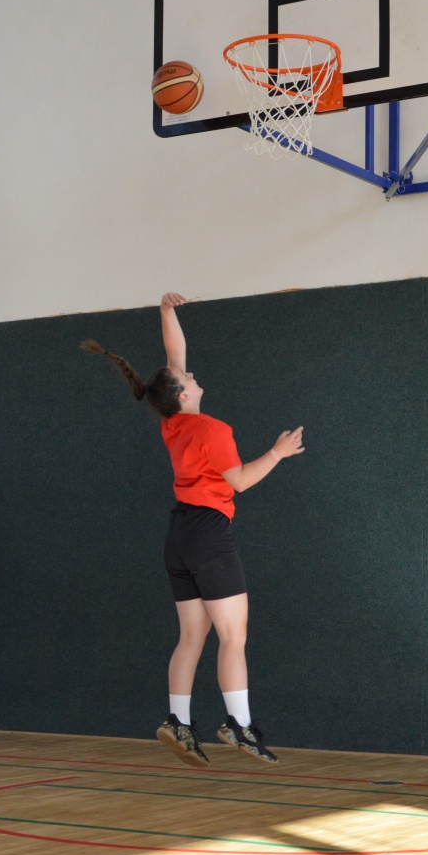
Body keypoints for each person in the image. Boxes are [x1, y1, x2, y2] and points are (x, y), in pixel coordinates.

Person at [82, 291, 304, 766]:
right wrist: (277, 453)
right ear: (183, 394)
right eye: (189, 378)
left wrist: (166, 311)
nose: (193, 375)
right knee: (233, 635)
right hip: (207, 535)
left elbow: (174, 357)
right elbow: (239, 480)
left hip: (179, 536)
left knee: (192, 636)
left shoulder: (173, 421)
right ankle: (240, 725)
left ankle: (179, 722)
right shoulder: (212, 430)